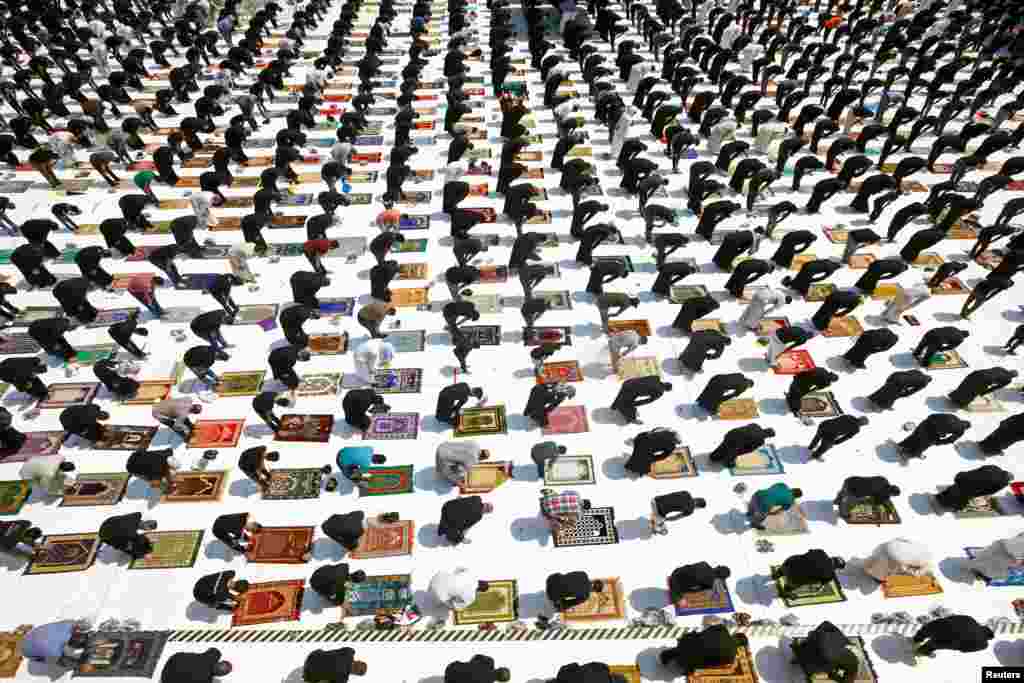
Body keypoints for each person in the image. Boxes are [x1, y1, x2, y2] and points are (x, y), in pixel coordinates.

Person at [792, 621, 860, 683]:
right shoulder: (852, 668)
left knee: (821, 654)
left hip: (830, 649)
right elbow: (836, 676)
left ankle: (800, 654)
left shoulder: (854, 662)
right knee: (820, 661)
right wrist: (833, 673)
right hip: (829, 655)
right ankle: (800, 656)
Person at [660, 624, 742, 675]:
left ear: (735, 635)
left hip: (686, 642)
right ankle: (682, 661)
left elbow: (705, 631)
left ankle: (676, 654)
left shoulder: (723, 629)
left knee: (695, 643)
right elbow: (711, 664)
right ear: (739, 646)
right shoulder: (731, 657)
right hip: (688, 661)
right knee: (699, 654)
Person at [935, 465, 1014, 511]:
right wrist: (978, 494)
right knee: (961, 497)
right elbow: (991, 491)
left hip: (967, 478)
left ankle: (940, 496)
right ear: (1008, 479)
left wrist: (965, 475)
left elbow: (979, 469)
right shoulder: (1002, 483)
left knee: (956, 488)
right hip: (974, 488)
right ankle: (943, 504)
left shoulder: (995, 467)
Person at [911, 615, 994, 658]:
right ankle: (921, 651)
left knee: (926, 631)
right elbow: (965, 649)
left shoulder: (971, 619)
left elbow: (951, 617)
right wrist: (958, 646)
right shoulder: (983, 644)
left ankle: (916, 639)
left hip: (942, 624)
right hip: (950, 640)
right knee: (935, 644)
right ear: (987, 638)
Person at [772, 549, 846, 597]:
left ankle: (778, 574)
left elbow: (809, 552)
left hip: (788, 563)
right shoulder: (830, 574)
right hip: (793, 577)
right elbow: (822, 584)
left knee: (798, 561)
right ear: (836, 568)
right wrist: (820, 586)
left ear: (833, 557)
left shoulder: (821, 552)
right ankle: (786, 592)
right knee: (809, 579)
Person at [896, 414, 971, 459]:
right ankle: (909, 453)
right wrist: (937, 442)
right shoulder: (961, 431)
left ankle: (903, 445)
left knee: (915, 436)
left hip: (926, 424)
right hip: (932, 432)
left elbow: (933, 415)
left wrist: (927, 421)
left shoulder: (954, 417)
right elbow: (950, 440)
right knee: (922, 445)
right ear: (965, 428)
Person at [20, 620, 90, 668]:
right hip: (27, 650)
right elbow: (63, 661)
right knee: (62, 660)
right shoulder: (54, 651)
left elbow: (79, 624)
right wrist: (80, 662)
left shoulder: (67, 624)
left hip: (32, 635)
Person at [322, 511, 400, 553]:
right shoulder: (357, 532)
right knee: (354, 547)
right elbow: (351, 545)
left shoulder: (360, 513)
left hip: (336, 520)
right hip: (331, 528)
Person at [861, 538, 933, 582]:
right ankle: (877, 574)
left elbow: (902, 539)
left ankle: (874, 568)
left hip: (889, 547)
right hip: (893, 553)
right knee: (883, 570)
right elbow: (908, 571)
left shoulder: (921, 550)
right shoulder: (923, 562)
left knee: (880, 563)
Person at [833, 476, 901, 520]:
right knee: (849, 503)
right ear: (891, 493)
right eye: (893, 495)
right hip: (853, 489)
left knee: (844, 493)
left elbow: (881, 496)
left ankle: (837, 500)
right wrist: (888, 510)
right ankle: (843, 514)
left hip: (851, 479)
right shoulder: (883, 493)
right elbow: (878, 502)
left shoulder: (884, 480)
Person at [948, 368, 1019, 409]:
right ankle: (960, 402)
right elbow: (995, 387)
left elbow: (990, 370)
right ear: (1013, 377)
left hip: (977, 373)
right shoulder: (1008, 380)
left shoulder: (1000, 368)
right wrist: (983, 392)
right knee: (972, 392)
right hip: (985, 380)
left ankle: (954, 396)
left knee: (965, 385)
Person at [160, 649, 233, 682]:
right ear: (219, 675)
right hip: (166, 678)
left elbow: (215, 651)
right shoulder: (205, 680)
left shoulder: (210, 657)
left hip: (174, 659)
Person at [303, 648, 368, 682]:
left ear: (358, 661)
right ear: (355, 673)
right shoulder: (342, 679)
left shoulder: (349, 652)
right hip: (308, 673)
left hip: (313, 656)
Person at [445, 655, 510, 683]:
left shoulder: (490, 661)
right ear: (499, 681)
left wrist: (471, 666)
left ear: (500, 668)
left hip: (451, 668)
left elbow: (476, 656)